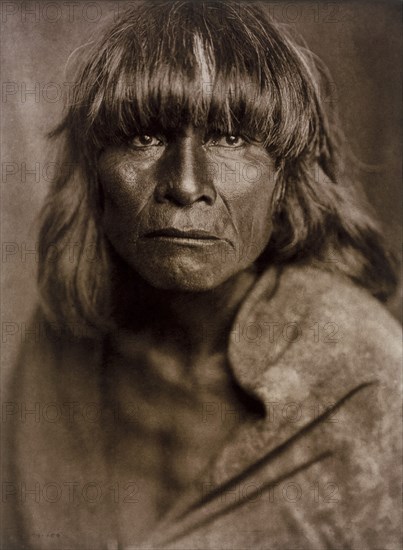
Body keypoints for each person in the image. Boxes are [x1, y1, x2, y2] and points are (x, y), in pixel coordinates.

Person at [3, 1, 401, 549]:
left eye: (231, 138)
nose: (186, 185)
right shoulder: (63, 342)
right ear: (94, 176)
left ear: (285, 180)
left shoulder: (361, 369)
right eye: (144, 138)